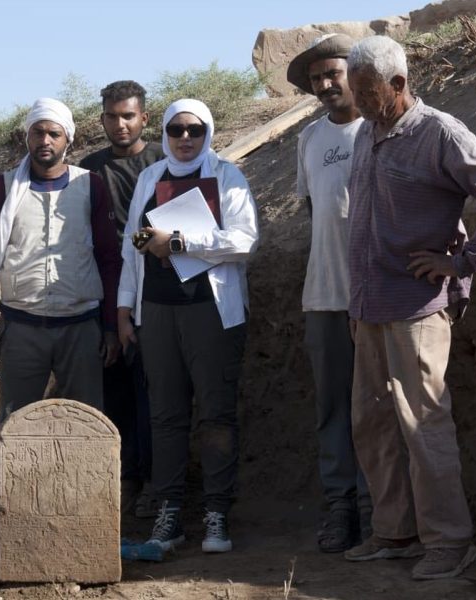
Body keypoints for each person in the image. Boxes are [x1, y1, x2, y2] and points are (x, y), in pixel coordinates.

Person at [342, 35, 476, 580]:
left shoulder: (439, 133)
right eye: (355, 91)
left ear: (398, 84)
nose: (358, 101)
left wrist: (463, 261)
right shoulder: (366, 133)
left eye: (366, 91)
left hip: (417, 307)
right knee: (372, 423)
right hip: (369, 305)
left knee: (422, 424)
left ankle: (450, 541)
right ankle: (395, 532)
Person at [117, 98, 258, 556]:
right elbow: (132, 246)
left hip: (210, 311)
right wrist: (124, 307)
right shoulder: (149, 178)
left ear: (207, 133)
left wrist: (179, 241)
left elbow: (245, 240)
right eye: (176, 129)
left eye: (194, 130)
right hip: (157, 310)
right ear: (163, 132)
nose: (184, 138)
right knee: (165, 415)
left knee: (216, 413)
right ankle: (170, 511)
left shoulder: (227, 176)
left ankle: (217, 512)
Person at [0, 97, 122, 416]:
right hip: (21, 327)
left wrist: (111, 327)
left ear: (68, 139)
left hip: (81, 327)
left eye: (54, 134)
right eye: (38, 132)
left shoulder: (90, 185)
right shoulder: (4, 188)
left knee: (85, 423)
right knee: (17, 423)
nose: (45, 140)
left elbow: (109, 259)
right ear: (27, 136)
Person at [286, 33, 373, 553]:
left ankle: (377, 509)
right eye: (316, 78)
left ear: (355, 74)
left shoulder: (382, 130)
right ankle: (342, 507)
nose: (324, 84)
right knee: (333, 408)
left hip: (378, 298)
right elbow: (314, 211)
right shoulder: (309, 140)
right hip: (323, 296)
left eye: (332, 73)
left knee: (377, 407)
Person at [78, 81, 164, 518]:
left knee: (152, 391)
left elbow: (166, 231)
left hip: (154, 289)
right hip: (103, 292)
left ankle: (154, 481)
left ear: (143, 117)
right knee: (114, 390)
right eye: (112, 117)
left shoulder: (163, 163)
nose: (120, 124)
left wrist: (136, 246)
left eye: (128, 115)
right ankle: (125, 478)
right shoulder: (89, 170)